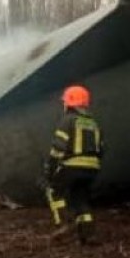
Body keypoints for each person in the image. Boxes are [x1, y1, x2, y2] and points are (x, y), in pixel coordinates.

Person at [44, 84, 103, 244]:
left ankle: (63, 224)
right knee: (80, 199)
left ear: (70, 103)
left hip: (72, 166)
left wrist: (50, 169)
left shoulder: (68, 121)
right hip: (92, 169)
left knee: (53, 191)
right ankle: (88, 235)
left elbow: (58, 147)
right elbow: (101, 148)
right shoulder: (94, 123)